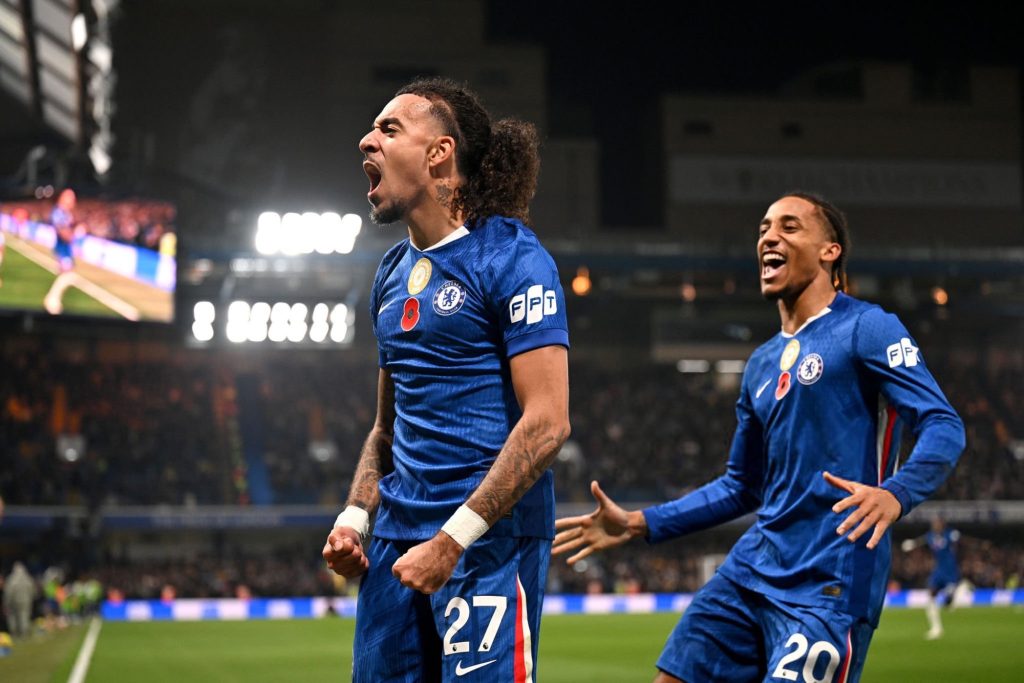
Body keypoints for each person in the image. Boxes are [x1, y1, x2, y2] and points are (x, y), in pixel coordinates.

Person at [553, 192, 965, 683]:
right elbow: (742, 486)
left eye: (789, 227)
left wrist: (895, 494)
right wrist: (642, 522)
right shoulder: (761, 364)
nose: (769, 237)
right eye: (764, 228)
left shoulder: (867, 327)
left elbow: (944, 424)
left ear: (830, 251)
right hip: (752, 568)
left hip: (829, 581)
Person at [322, 78, 570, 682]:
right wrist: (354, 519)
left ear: (439, 152)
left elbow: (548, 422)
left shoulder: (512, 257)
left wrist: (452, 541)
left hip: (488, 541)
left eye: (389, 129)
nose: (367, 141)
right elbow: (386, 429)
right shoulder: (389, 274)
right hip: (394, 545)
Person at [901, 516, 964, 639]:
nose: (935, 526)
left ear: (942, 525)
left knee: (947, 602)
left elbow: (961, 541)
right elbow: (922, 540)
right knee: (931, 594)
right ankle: (936, 628)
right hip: (939, 570)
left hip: (950, 570)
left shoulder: (949, 534)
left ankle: (956, 591)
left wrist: (959, 539)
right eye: (934, 524)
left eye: (937, 523)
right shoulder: (931, 536)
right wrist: (912, 544)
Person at [3, 563, 36, 639]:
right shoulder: (27, 578)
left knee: (14, 617)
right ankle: (24, 633)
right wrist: (33, 597)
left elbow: (8, 592)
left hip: (14, 601)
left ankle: (15, 633)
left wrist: (7, 603)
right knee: (24, 616)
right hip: (26, 600)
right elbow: (32, 588)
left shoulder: (11, 579)